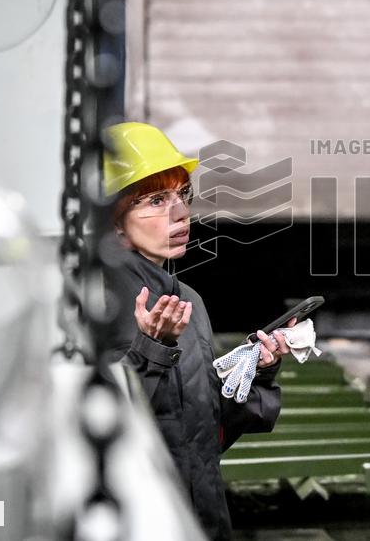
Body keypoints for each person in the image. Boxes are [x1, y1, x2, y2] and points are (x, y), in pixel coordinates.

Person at [101, 121, 292, 540]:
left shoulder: (187, 300)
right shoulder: (97, 304)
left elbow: (203, 435)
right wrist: (150, 348)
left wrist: (256, 372)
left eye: (183, 195)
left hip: (201, 519)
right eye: (156, 200)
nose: (181, 213)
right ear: (114, 222)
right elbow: (101, 429)